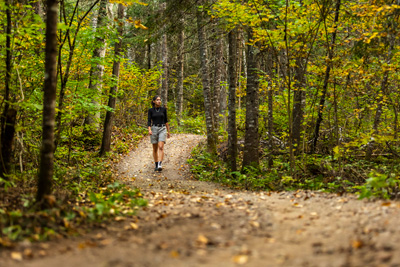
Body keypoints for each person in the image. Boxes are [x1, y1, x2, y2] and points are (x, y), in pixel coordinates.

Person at [148, 96, 170, 171]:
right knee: (155, 148)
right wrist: (149, 130)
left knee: (161, 147)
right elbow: (149, 121)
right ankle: (156, 164)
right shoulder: (151, 110)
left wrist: (168, 131)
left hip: (162, 128)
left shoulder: (163, 110)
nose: (159, 101)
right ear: (153, 101)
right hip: (154, 128)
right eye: (157, 100)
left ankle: (160, 164)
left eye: (160, 100)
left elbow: (166, 120)